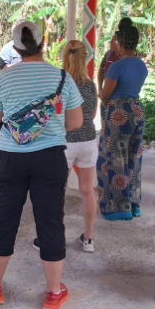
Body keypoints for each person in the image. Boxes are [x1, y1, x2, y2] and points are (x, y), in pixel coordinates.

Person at [0, 20, 83, 309]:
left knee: (3, 221)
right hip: (50, 158)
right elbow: (75, 122)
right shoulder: (61, 76)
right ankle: (53, 294)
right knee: (51, 222)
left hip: (11, 157)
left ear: (15, 47)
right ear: (43, 43)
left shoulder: (4, 77)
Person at [33, 40, 98, 253]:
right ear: (85, 58)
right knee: (88, 191)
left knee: (56, 191)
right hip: (88, 140)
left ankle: (50, 238)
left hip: (65, 143)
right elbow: (92, 115)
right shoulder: (90, 85)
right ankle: (88, 239)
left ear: (64, 56)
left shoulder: (59, 83)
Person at [98, 18, 148, 220]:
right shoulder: (142, 65)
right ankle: (134, 204)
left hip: (119, 112)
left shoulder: (116, 67)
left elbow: (105, 95)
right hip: (137, 109)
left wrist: (102, 97)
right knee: (134, 157)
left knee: (114, 158)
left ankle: (119, 207)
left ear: (120, 43)